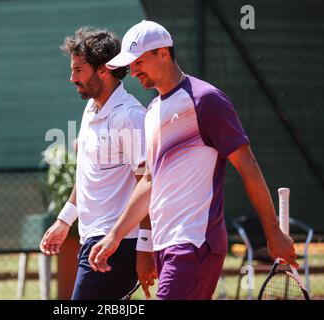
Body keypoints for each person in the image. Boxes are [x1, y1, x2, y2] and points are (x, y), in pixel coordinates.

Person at [88, 20, 298, 300]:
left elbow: (248, 167)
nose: (133, 70)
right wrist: (115, 235)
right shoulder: (152, 112)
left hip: (195, 242)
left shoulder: (206, 100)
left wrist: (273, 232)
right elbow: (150, 180)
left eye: (138, 61)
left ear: (163, 53)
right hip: (168, 245)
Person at [39, 27, 157, 300]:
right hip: (93, 240)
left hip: (119, 245)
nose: (71, 78)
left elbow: (148, 186)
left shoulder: (130, 117)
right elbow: (87, 175)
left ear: (103, 70)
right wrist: (64, 222)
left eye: (78, 70)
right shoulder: (91, 108)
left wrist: (145, 248)